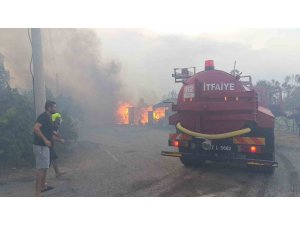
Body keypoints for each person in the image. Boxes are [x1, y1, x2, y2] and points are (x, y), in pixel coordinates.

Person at [33, 100, 56, 197]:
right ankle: (38, 194)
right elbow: (36, 128)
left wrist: (59, 138)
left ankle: (42, 186)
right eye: (54, 107)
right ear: (49, 108)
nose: (56, 109)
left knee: (45, 167)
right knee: (41, 169)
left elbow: (49, 132)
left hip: (45, 147)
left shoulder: (48, 117)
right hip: (41, 146)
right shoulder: (43, 117)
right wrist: (45, 140)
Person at [50, 112, 65, 177]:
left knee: (54, 158)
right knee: (49, 160)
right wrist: (60, 140)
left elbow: (56, 132)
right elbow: (51, 136)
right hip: (45, 144)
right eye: (58, 120)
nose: (59, 123)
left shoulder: (54, 125)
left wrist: (58, 135)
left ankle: (57, 172)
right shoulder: (51, 125)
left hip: (50, 145)